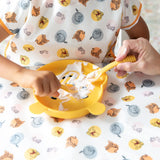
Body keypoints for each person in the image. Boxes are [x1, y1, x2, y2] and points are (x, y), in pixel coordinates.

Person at [0, 0, 149, 97]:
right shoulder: (22, 4)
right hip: (25, 83)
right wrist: (21, 74)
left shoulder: (119, 3)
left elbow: (139, 36)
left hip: (98, 86)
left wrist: (132, 54)